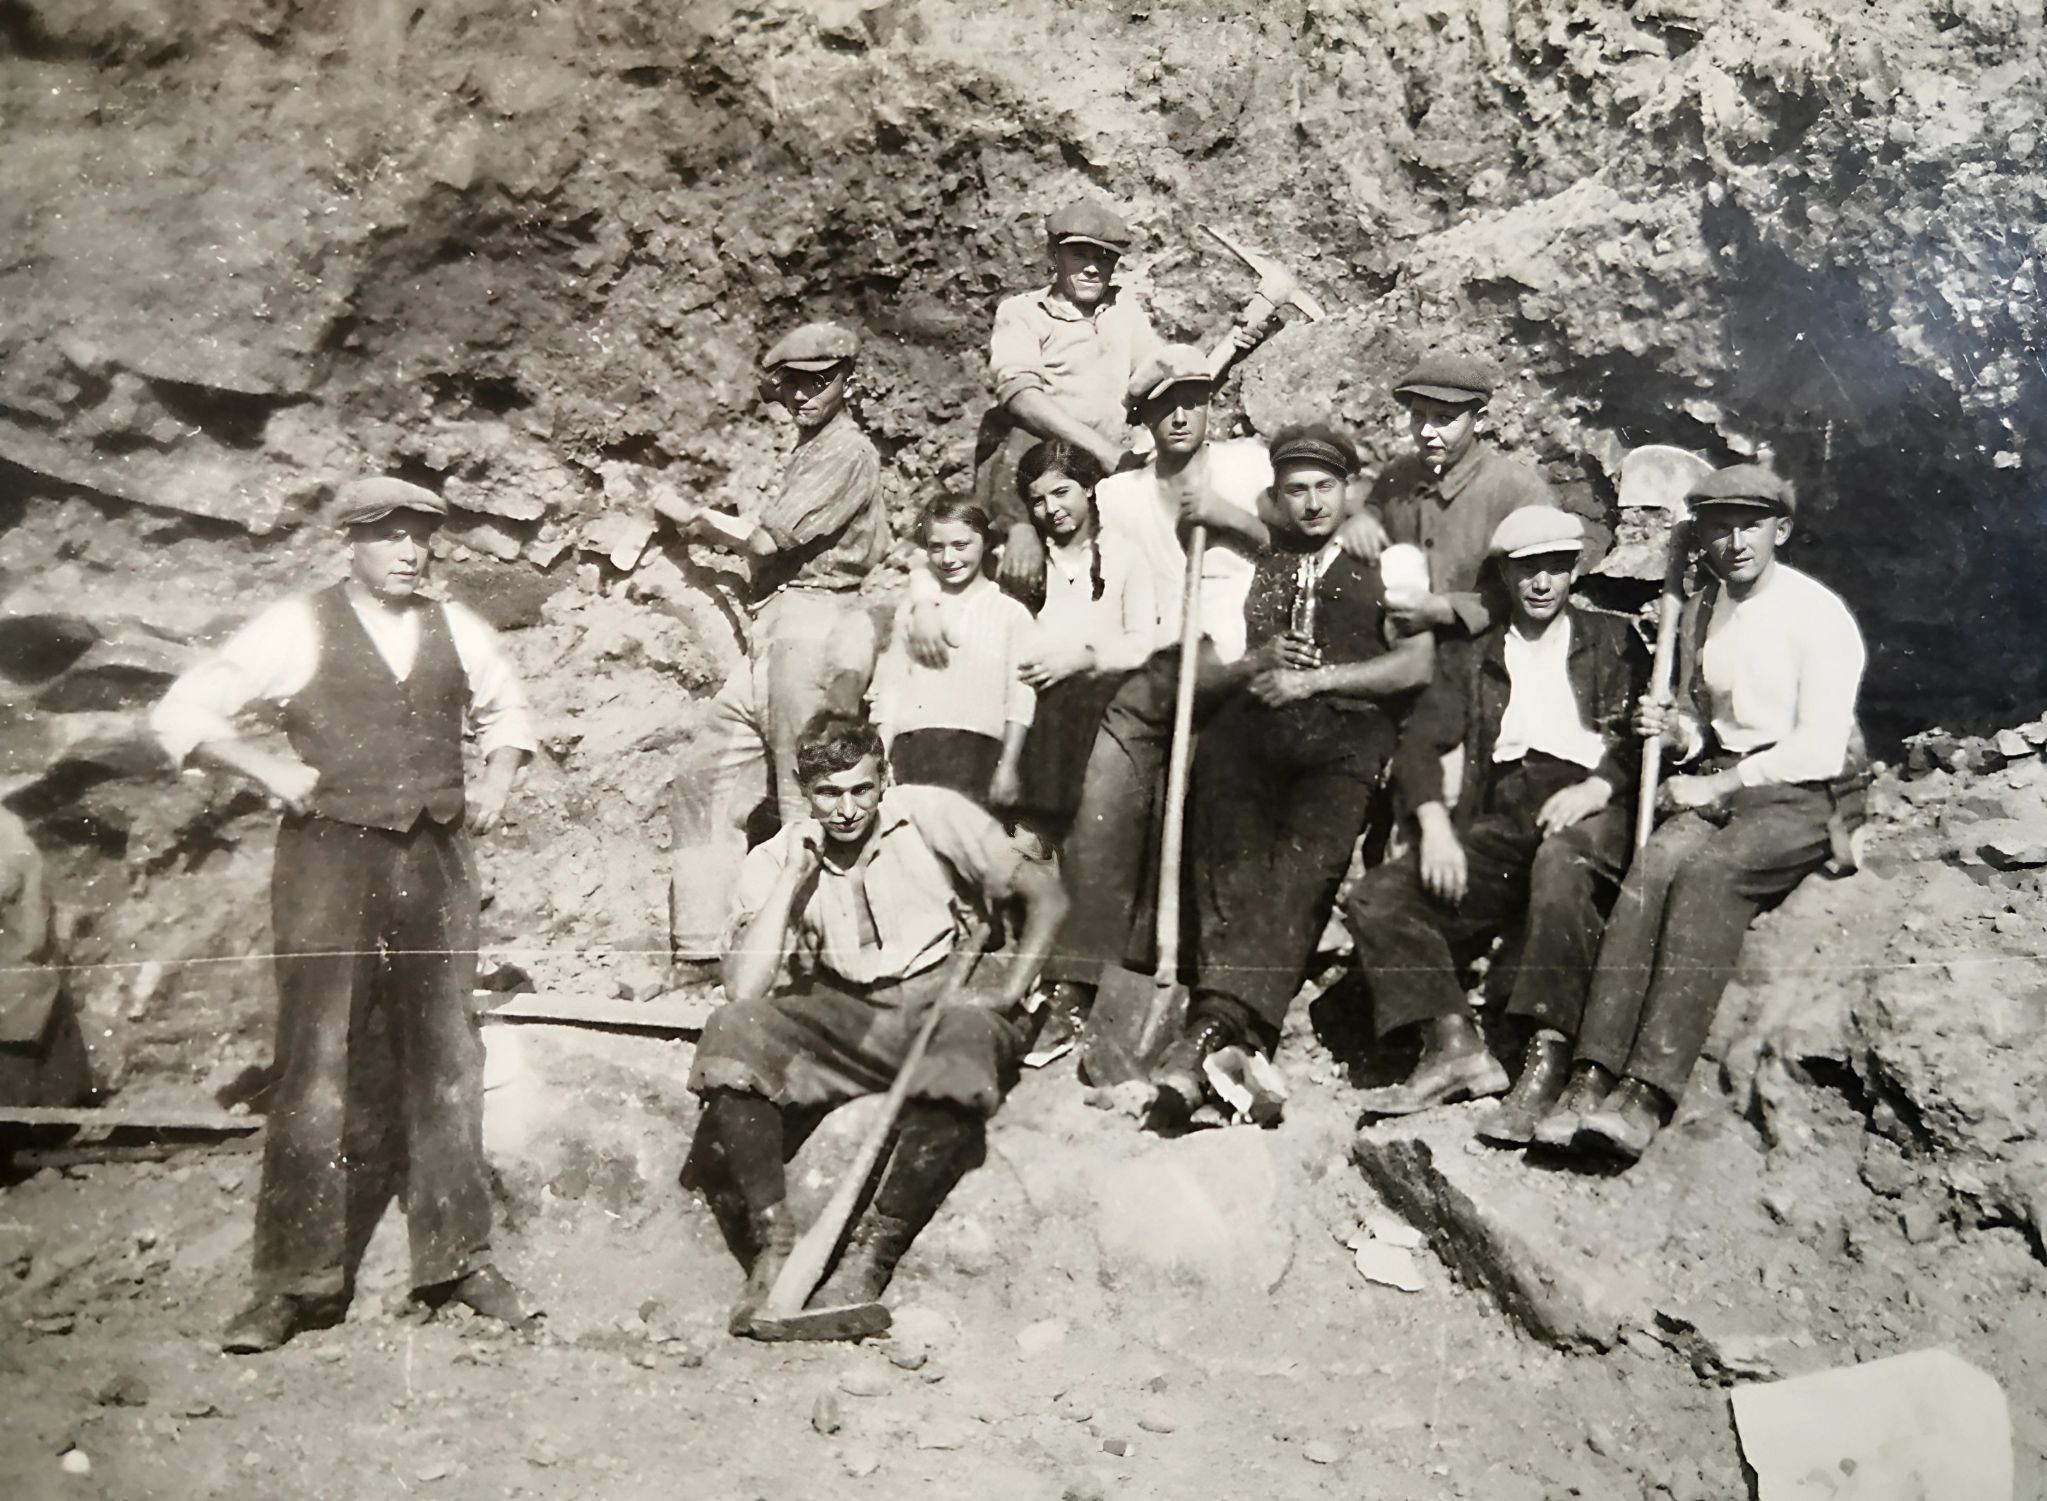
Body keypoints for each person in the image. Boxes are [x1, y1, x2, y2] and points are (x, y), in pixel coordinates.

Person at [150, 476, 537, 1353]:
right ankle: (293, 1283)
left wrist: (501, 777)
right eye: (388, 535)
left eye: (421, 536)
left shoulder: (455, 627)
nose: (409, 551)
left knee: (447, 1052)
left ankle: (458, 1257)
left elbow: (510, 708)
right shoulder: (298, 625)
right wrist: (267, 768)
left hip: (436, 861)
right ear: (351, 543)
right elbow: (182, 708)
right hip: (329, 859)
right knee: (315, 1060)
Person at [680, 714, 1069, 1338]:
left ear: (884, 778)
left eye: (861, 789)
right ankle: (774, 1244)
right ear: (806, 794)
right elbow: (743, 990)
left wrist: (1009, 991)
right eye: (829, 794)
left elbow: (1045, 895)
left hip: (943, 1002)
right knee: (732, 1030)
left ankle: (869, 1257)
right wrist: (790, 882)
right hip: (846, 1016)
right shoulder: (778, 856)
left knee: (966, 1048)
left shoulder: (932, 815)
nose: (847, 809)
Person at [1561, 464, 1868, 1161]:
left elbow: (1817, 746)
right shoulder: (1706, 609)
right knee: (1654, 866)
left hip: (1804, 788)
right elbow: (1713, 724)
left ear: (1779, 531)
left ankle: (1645, 1093)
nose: (1733, 542)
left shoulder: (1815, 614)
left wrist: (1720, 783)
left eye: (1749, 526)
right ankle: (1590, 1073)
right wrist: (1679, 734)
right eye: (1719, 527)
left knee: (1710, 876)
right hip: (1726, 773)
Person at [1153, 425, 1433, 1124]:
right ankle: (1235, 1041)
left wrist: (1320, 682)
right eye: (1296, 490)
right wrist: (1260, 664)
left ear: (1349, 490)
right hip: (1255, 725)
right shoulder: (1263, 552)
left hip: (1346, 731)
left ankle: (1210, 1031)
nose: (1311, 503)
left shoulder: (1390, 558)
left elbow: (1414, 664)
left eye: (1324, 488)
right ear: (1278, 496)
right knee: (1230, 855)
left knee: (1300, 873)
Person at [1345, 507, 1646, 1141]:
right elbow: (1421, 740)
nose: (1542, 584)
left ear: (1573, 573)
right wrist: (1432, 825)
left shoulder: (1614, 642)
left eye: (1556, 569)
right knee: (1379, 896)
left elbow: (1642, 739)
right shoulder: (1475, 654)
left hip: (1591, 803)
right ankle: (1454, 1046)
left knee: (1562, 864)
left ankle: (1548, 1056)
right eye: (1527, 570)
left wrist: (1599, 786)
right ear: (1505, 577)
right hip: (1507, 813)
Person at [1032, 345, 1274, 1060]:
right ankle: (1075, 982)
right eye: (1165, 404)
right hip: (1163, 659)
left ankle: (1210, 991)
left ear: (1210, 403)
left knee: (1220, 793)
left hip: (1238, 654)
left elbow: (1292, 544)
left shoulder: (1246, 467)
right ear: (1141, 417)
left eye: (1193, 398)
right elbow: (1120, 594)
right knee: (1103, 791)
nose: (1181, 414)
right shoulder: (1121, 495)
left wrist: (1230, 517)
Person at [664, 320, 891, 971]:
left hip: (817, 626)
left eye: (818, 383)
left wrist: (694, 519)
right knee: (700, 778)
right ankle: (703, 955)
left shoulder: (849, 451)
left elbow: (768, 541)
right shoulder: (810, 448)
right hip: (774, 630)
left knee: (808, 798)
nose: (801, 397)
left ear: (846, 381)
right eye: (791, 385)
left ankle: (810, 963)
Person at [972, 200, 1163, 601]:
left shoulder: (1126, 313)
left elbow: (1156, 381)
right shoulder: (1024, 312)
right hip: (1042, 468)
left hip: (1112, 471)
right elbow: (1020, 397)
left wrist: (1236, 340)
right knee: (1024, 585)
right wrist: (1102, 451)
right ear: (1053, 255)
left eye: (1105, 257)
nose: (1093, 267)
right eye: (1080, 255)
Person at [1332, 349, 1573, 642]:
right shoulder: (1400, 474)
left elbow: (1542, 583)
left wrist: (1450, 609)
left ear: (1480, 421)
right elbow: (1375, 510)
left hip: (1487, 649)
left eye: (1444, 419)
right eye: (1418, 416)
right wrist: (1360, 520)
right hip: (1401, 644)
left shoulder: (1518, 490)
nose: (1427, 431)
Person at [1006, 439, 1158, 853]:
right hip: (1029, 690)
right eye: (1037, 501)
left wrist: (1085, 658)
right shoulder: (1027, 558)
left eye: (1061, 492)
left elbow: (1142, 641)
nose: (1051, 509)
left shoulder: (1125, 555)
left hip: (1094, 690)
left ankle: (1045, 830)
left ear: (1088, 488)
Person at [868, 496, 1035, 805]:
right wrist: (880, 759)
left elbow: (1020, 697)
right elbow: (891, 688)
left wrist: (1008, 766)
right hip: (913, 750)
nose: (948, 559)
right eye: (936, 547)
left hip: (978, 754)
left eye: (961, 546)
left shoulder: (1011, 613)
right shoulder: (914, 610)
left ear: (985, 542)